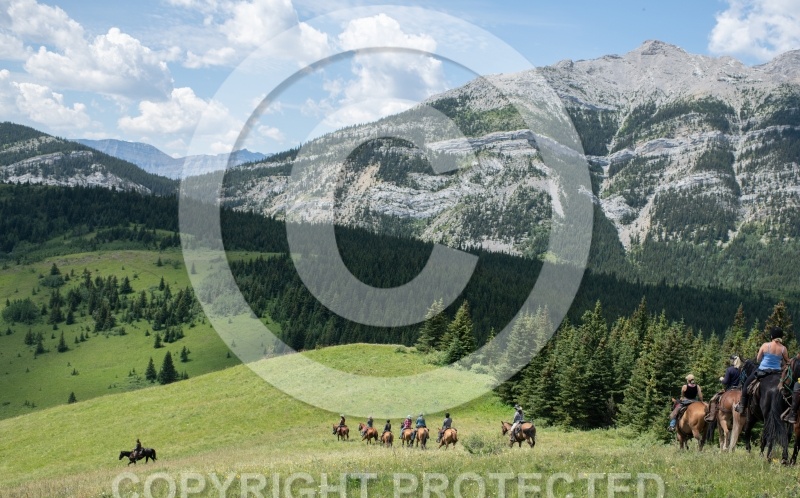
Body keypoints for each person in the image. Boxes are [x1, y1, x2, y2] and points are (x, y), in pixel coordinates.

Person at [737, 327, 789, 414]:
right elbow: (785, 362)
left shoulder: (765, 345)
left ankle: (742, 406)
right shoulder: (784, 349)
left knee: (746, 384)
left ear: (771, 336)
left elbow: (758, 359)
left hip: (763, 371)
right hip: (777, 372)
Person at [706, 355, 743, 422]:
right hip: (740, 390)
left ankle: (712, 416)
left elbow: (725, 382)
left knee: (714, 399)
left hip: (730, 389)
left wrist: (721, 379)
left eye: (730, 360)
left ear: (732, 360)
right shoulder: (742, 370)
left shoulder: (729, 369)